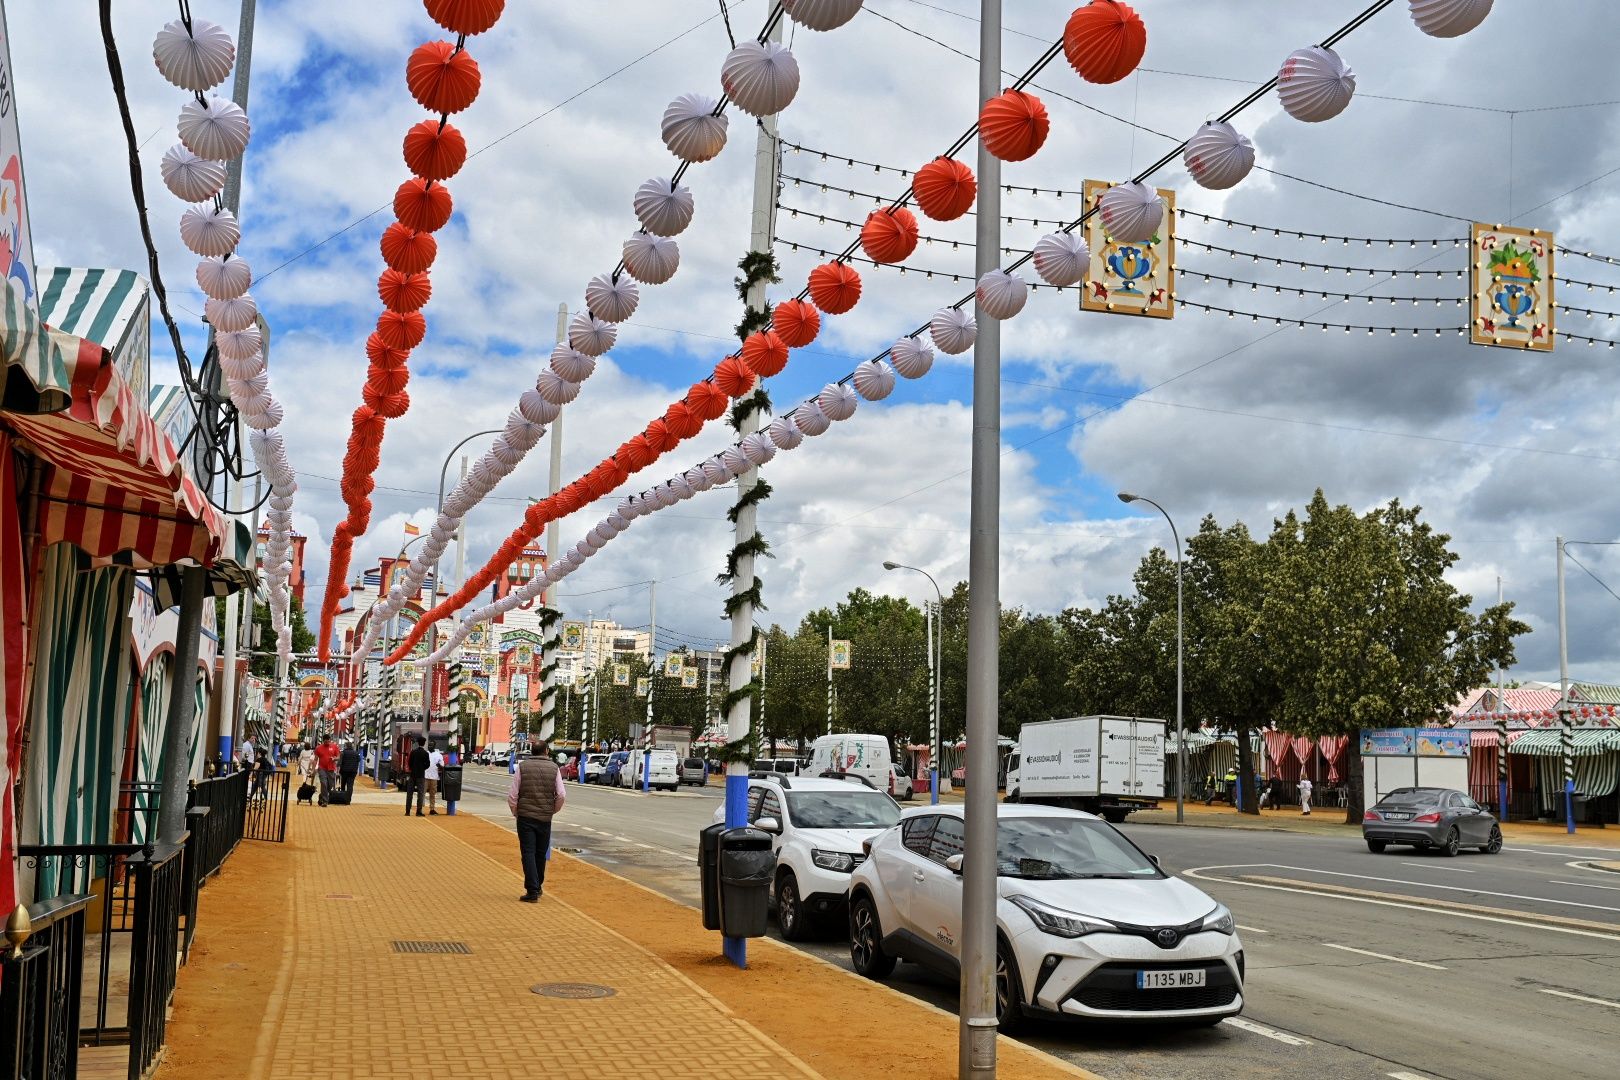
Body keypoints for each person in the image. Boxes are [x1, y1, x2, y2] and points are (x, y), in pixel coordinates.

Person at [508, 740, 566, 902]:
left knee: (528, 852)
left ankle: (532, 890)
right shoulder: (554, 768)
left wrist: (516, 812)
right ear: (546, 751)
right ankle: (537, 886)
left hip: (525, 817)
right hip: (545, 818)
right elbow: (561, 795)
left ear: (531, 751)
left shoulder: (522, 767)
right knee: (540, 853)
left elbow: (512, 795)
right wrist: (552, 810)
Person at [405, 736, 431, 817]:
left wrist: (413, 769)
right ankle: (418, 811)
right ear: (424, 743)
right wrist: (422, 768)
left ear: (418, 743)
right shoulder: (425, 753)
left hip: (412, 775)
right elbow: (428, 764)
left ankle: (407, 811)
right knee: (420, 794)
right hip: (421, 776)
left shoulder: (413, 752)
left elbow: (409, 763)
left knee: (409, 793)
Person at [314, 734, 341, 805]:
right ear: (323, 741)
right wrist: (314, 769)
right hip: (322, 768)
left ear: (330, 740)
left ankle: (322, 796)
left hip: (331, 769)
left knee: (330, 785)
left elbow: (338, 757)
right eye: (326, 741)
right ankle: (325, 801)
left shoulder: (334, 746)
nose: (327, 743)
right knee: (324, 783)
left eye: (328, 741)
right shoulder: (318, 748)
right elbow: (315, 759)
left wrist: (334, 758)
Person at [424, 742, 445, 815]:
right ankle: (419, 808)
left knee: (432, 794)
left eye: (431, 745)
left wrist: (439, 765)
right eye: (429, 745)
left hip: (434, 777)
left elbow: (442, 766)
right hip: (425, 776)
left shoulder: (438, 755)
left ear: (434, 746)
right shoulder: (425, 754)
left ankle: (432, 809)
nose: (430, 746)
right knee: (422, 793)